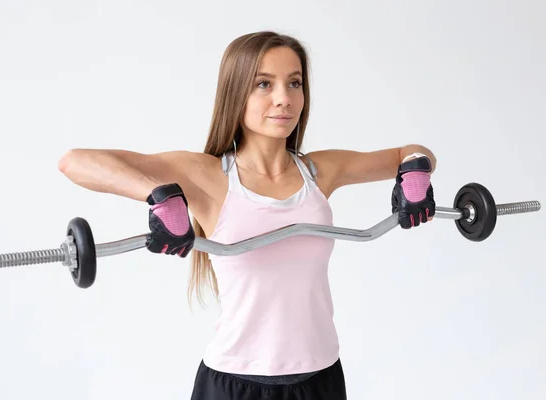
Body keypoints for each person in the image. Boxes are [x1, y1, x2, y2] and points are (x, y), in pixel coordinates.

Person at [58, 31, 437, 400]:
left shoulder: (320, 171)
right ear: (236, 92)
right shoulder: (209, 176)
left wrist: (415, 174)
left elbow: (412, 152)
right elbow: (75, 162)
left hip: (321, 378)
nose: (283, 99)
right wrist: (158, 196)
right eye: (263, 85)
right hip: (234, 383)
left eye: (294, 83)